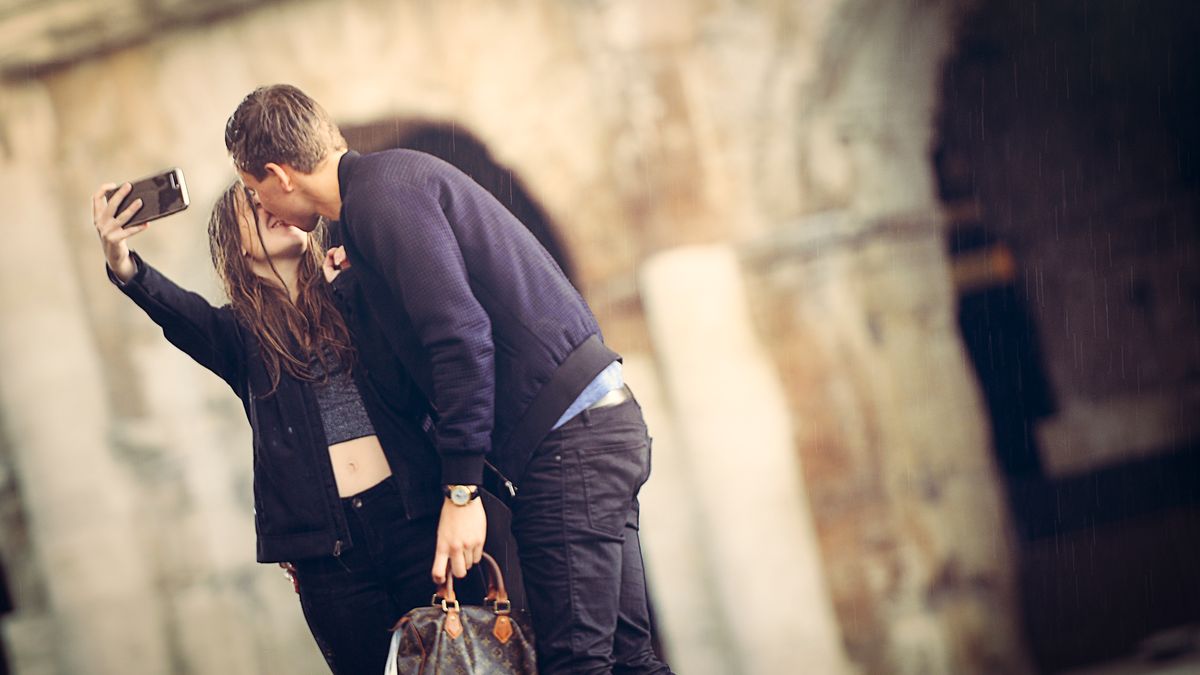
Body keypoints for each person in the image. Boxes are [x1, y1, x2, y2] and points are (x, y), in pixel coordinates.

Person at [225, 84, 673, 675]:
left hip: (567, 444)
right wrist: (356, 289)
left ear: (280, 175)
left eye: (254, 189)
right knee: (629, 657)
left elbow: (459, 337)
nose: (261, 205)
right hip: (595, 425)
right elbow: (416, 371)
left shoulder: (378, 199)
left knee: (576, 662)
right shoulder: (388, 191)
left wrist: (461, 491)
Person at [92, 181, 482, 675]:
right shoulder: (238, 336)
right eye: (251, 205)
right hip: (330, 556)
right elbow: (174, 309)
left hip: (415, 520)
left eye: (268, 196)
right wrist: (120, 258)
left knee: (464, 663)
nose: (267, 206)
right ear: (235, 243)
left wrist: (351, 287)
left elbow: (417, 376)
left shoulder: (354, 287)